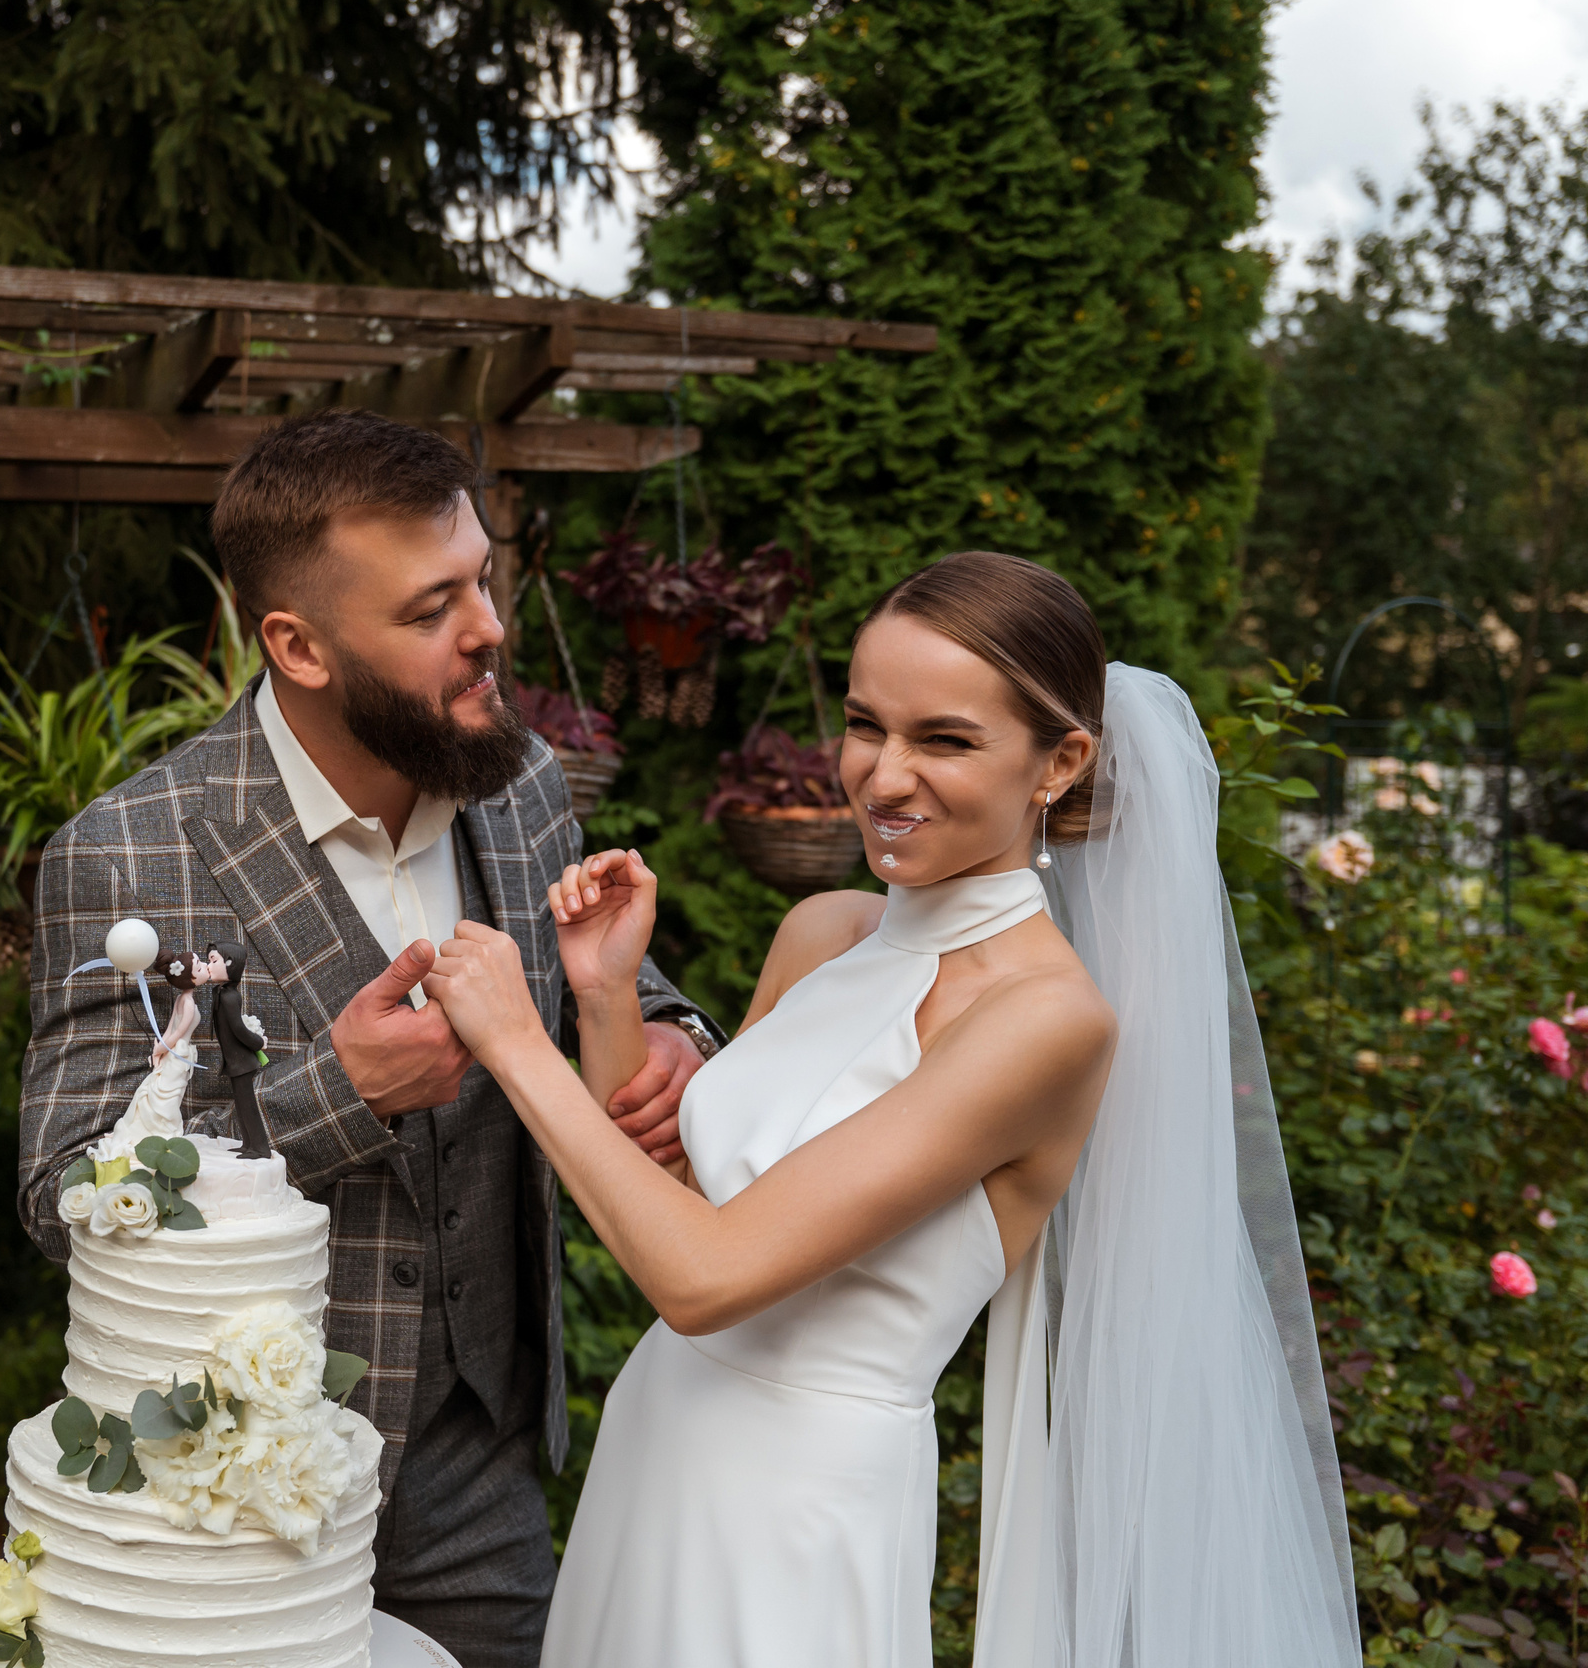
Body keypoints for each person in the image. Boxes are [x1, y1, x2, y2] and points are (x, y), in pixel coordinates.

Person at [422, 552, 1360, 1667]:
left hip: (800, 1508)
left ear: (1057, 761)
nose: (882, 776)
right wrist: (603, 996)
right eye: (868, 724)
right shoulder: (823, 932)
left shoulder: (1045, 1023)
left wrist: (517, 1042)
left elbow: (704, 1278)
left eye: (945, 740)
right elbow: (667, 1213)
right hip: (660, 1443)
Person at [19, 409, 722, 1667]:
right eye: (429, 609)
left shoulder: (523, 786)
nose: (490, 631)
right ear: (297, 643)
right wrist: (339, 1089)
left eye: (484, 582)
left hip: (483, 1467)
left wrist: (668, 1029)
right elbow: (63, 1189)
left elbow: (602, 980)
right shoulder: (131, 850)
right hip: (230, 1514)